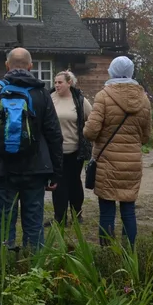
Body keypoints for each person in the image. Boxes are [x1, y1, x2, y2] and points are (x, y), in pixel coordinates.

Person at [0, 47, 63, 254]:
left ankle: (4, 270)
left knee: (4, 224)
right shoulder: (41, 93)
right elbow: (54, 135)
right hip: (36, 169)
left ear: (6, 65)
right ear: (31, 66)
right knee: (33, 222)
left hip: (3, 169)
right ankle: (33, 272)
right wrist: (55, 172)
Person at [83, 56, 151, 246]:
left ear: (111, 71)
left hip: (107, 162)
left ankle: (107, 254)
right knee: (129, 210)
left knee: (107, 210)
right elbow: (146, 136)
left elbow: (90, 132)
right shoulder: (144, 99)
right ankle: (130, 252)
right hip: (132, 163)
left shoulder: (103, 96)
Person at [49, 71, 93, 226]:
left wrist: (86, 134)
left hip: (75, 150)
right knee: (57, 184)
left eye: (60, 82)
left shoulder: (79, 100)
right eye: (55, 82)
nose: (56, 85)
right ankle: (59, 218)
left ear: (69, 83)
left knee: (74, 182)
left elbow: (92, 118)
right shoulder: (50, 98)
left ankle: (77, 214)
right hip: (55, 151)